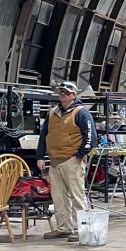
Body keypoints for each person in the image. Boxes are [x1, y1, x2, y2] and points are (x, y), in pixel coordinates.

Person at [36, 81, 96, 242]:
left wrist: (79, 155)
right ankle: (64, 228)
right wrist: (40, 156)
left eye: (67, 92)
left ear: (74, 95)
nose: (63, 94)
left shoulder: (81, 112)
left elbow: (91, 137)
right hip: (54, 161)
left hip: (72, 160)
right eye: (61, 92)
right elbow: (44, 135)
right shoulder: (52, 113)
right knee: (59, 197)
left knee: (77, 196)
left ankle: (82, 229)